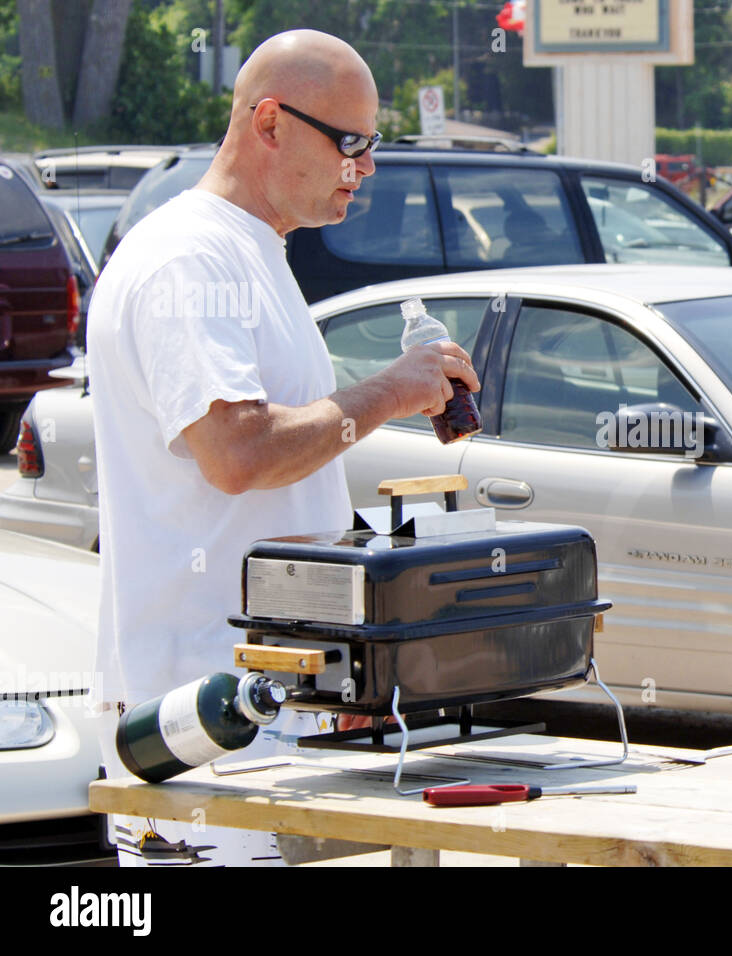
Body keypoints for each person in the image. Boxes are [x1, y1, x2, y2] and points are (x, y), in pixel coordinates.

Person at [87, 30, 480, 865]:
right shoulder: (191, 257)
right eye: (350, 143)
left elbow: (275, 481)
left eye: (373, 144)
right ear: (269, 121)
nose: (365, 166)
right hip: (203, 717)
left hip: (259, 709)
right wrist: (390, 392)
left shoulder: (249, 251)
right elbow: (239, 456)